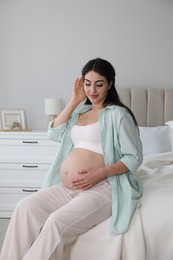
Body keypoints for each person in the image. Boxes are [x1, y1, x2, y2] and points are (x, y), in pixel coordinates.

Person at [0, 58, 143, 260]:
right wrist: (75, 100)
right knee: (24, 208)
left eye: (99, 84)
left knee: (56, 222)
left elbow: (134, 158)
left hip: (103, 188)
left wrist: (99, 173)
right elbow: (54, 132)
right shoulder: (79, 112)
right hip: (67, 188)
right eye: (87, 83)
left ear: (110, 84)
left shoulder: (118, 114)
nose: (92, 90)